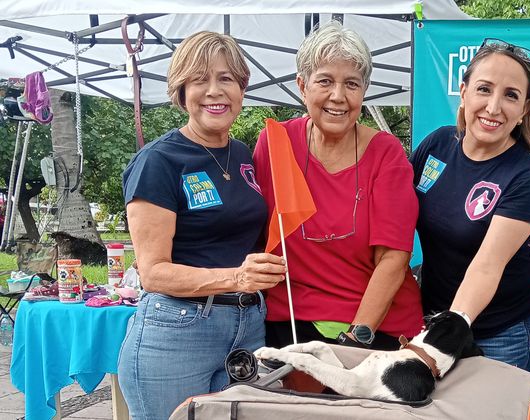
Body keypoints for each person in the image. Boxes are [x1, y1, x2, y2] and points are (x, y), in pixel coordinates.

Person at [118, 31, 287, 419]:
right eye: (200, 80)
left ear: (242, 89)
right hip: (177, 330)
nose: (215, 91)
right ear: (181, 92)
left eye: (227, 79)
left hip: (247, 325)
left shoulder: (241, 153)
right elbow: (153, 272)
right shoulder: (158, 161)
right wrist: (236, 279)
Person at [252, 21, 422, 351]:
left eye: (352, 84)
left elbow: (393, 259)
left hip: (373, 329)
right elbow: (249, 226)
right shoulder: (275, 143)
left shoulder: (386, 154)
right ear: (302, 85)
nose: (338, 96)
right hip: (290, 322)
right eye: (325, 81)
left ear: (364, 90)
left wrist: (357, 338)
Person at [410, 38, 530, 372]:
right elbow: (394, 218)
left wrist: (447, 334)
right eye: (484, 89)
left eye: (511, 95)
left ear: (525, 109)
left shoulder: (524, 174)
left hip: (501, 332)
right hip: (434, 318)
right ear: (464, 92)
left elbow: (487, 266)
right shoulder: (437, 144)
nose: (493, 106)